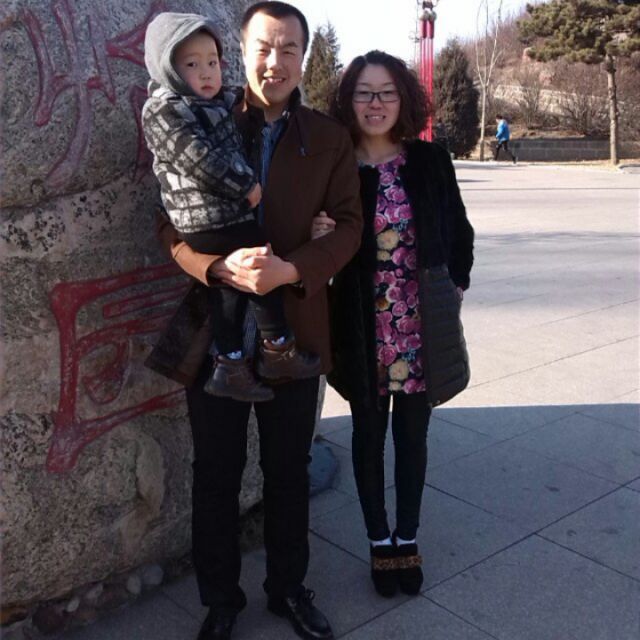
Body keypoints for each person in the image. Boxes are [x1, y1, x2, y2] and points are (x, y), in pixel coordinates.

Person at [146, 3, 362, 639]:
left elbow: (350, 225)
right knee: (214, 474)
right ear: (241, 52)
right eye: (264, 47)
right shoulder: (200, 115)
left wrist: (292, 268)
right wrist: (214, 267)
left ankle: (289, 589)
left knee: (288, 471)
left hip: (292, 331)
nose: (276, 61)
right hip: (217, 333)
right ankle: (220, 601)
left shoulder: (327, 137)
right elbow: (167, 223)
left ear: (304, 57)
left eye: (290, 48)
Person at [314, 50, 473, 598]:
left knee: (412, 436)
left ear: (403, 99)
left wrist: (454, 286)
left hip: (418, 325)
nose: (375, 103)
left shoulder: (429, 160)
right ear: (348, 101)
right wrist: (318, 237)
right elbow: (320, 241)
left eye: (386, 92)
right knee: (367, 435)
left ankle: (407, 536)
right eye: (364, 93)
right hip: (362, 326)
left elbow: (459, 231)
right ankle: (379, 541)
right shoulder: (336, 167)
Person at [142, 13, 321, 404]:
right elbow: (198, 159)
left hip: (217, 216)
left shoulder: (222, 102)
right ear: (168, 68)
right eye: (192, 64)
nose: (207, 72)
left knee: (234, 284)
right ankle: (277, 346)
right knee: (259, 260)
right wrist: (246, 186)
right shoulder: (167, 109)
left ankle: (231, 363)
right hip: (203, 217)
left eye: (212, 62)